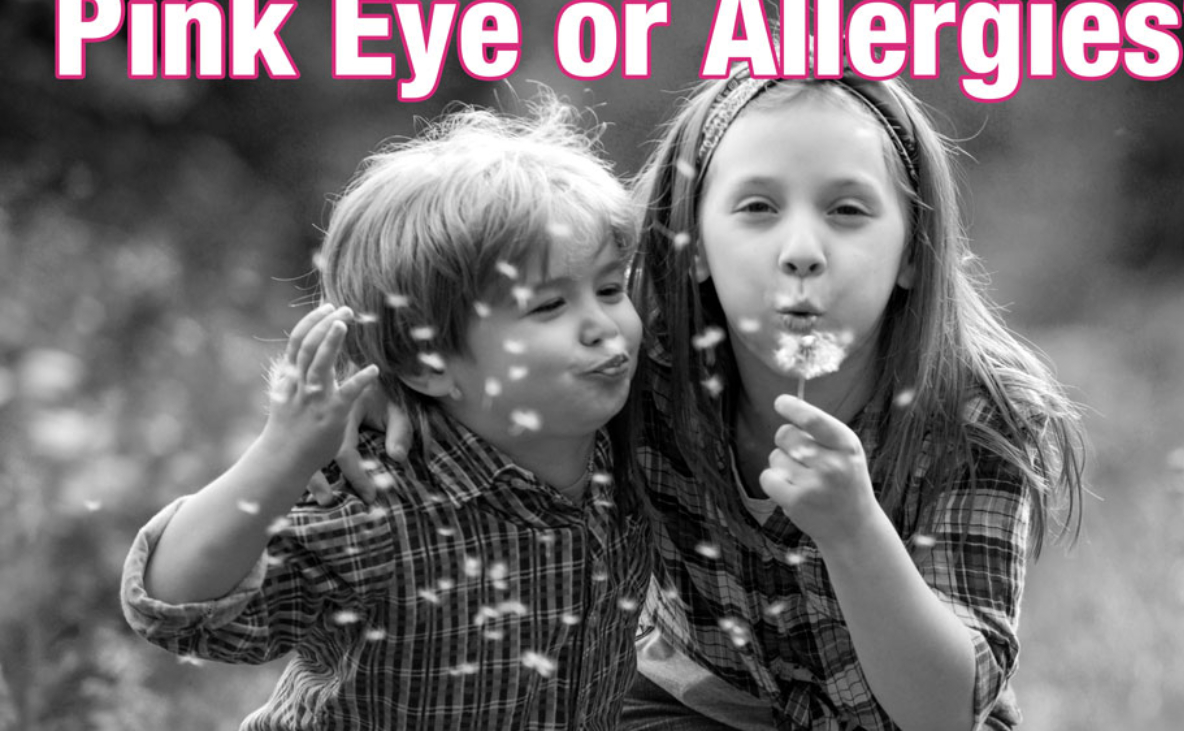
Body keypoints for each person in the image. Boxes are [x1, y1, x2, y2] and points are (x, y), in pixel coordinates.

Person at [348, 67, 1087, 730]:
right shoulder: (644, 366)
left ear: (910, 252)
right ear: (694, 244)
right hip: (689, 701)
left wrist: (854, 529)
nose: (801, 249)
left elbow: (945, 713)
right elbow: (494, 368)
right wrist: (398, 393)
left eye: (849, 211)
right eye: (758, 207)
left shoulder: (974, 415)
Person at [119, 96, 649, 730]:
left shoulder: (636, 455)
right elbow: (176, 611)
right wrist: (282, 456)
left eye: (611, 289)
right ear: (428, 363)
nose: (602, 327)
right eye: (548, 307)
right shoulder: (377, 503)